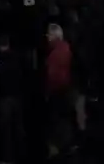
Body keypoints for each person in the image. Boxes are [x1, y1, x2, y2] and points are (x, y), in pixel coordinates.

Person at [0, 35, 24, 164]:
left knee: (6, 130)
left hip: (4, 97)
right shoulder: (17, 57)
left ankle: (7, 158)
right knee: (18, 127)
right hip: (17, 96)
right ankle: (22, 155)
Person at [45, 23, 74, 158]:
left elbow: (51, 75)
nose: (47, 36)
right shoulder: (66, 47)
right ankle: (67, 144)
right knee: (65, 118)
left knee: (55, 120)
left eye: (49, 34)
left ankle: (56, 148)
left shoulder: (54, 54)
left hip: (56, 89)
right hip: (66, 86)